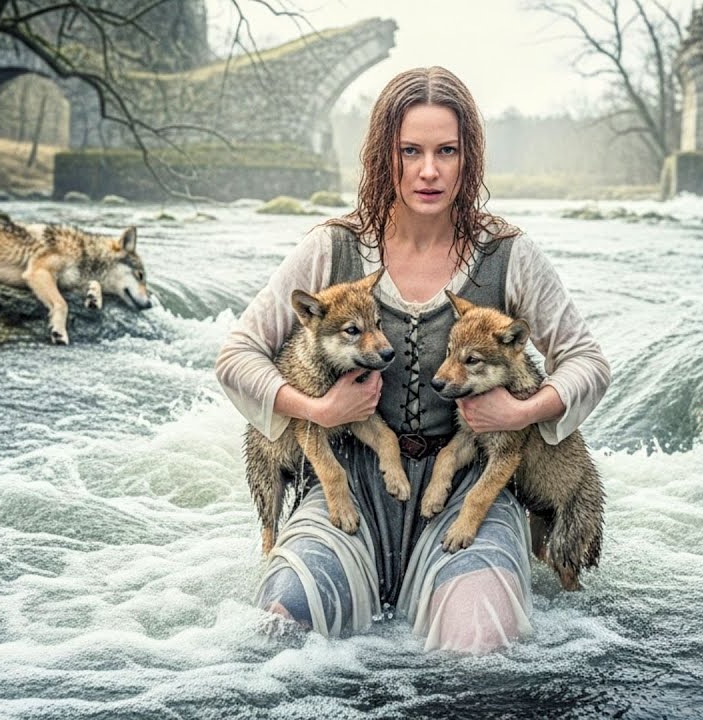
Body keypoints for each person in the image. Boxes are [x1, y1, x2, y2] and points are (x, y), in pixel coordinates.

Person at [215, 66, 610, 654]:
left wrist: (522, 413)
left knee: (481, 643)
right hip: (349, 485)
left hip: (467, 493)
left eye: (446, 151)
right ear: (385, 156)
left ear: (467, 157)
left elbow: (587, 362)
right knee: (283, 623)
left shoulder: (510, 253)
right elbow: (236, 355)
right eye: (411, 151)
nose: (429, 171)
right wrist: (316, 408)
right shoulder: (332, 246)